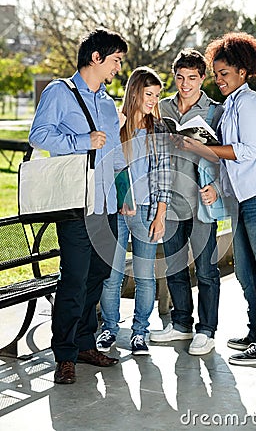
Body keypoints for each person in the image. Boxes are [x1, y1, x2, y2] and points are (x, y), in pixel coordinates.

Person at [177, 32, 256, 365]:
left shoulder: (251, 103)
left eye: (224, 74)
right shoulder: (230, 106)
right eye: (216, 74)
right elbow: (230, 161)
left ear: (243, 71)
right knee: (245, 271)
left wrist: (203, 148)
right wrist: (218, 187)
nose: (219, 80)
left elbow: (249, 151)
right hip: (244, 200)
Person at [29, 28, 128, 384]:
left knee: (98, 275)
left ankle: (86, 343)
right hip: (75, 204)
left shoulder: (106, 101)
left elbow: (115, 154)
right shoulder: (59, 91)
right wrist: (81, 141)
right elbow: (38, 134)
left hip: (107, 204)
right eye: (115, 60)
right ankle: (65, 354)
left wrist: (124, 193)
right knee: (73, 278)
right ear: (96, 58)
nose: (119, 67)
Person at [149, 49, 224, 356]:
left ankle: (207, 330)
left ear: (202, 78)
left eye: (192, 78)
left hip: (202, 203)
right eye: (180, 77)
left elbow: (227, 157)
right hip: (171, 200)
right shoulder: (162, 107)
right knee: (175, 266)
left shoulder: (215, 111)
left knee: (206, 270)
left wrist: (217, 188)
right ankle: (181, 324)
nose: (185, 84)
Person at [96, 66, 172, 355]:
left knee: (144, 275)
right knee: (112, 275)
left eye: (156, 95)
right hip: (116, 212)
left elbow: (164, 174)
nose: (153, 100)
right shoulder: (116, 124)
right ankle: (109, 329)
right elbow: (107, 164)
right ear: (134, 92)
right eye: (148, 93)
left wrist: (161, 214)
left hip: (147, 212)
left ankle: (140, 332)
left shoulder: (159, 129)